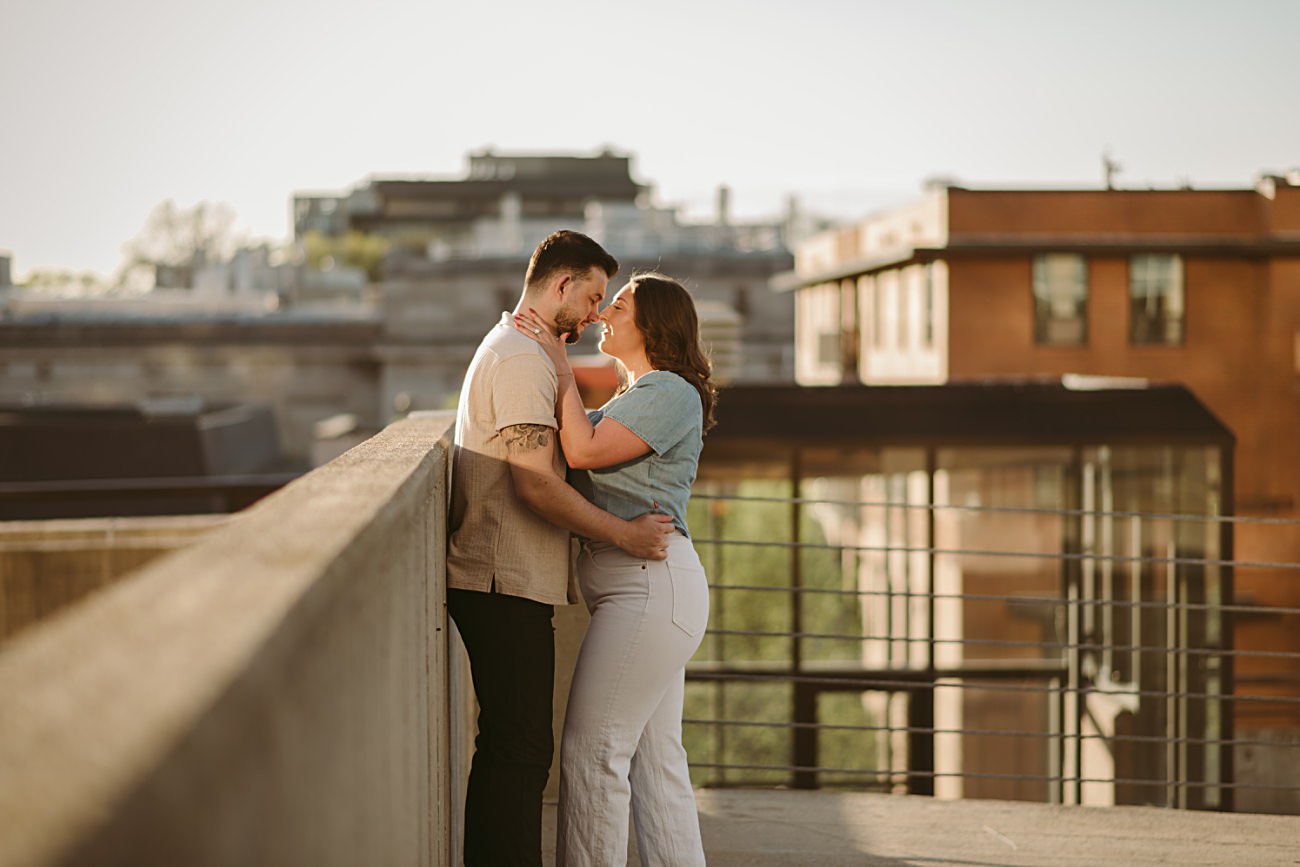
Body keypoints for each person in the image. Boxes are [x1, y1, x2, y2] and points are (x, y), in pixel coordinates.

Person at [446, 231, 676, 867]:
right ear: (561, 285)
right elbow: (534, 483)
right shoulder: (521, 357)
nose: (598, 312)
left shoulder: (530, 350)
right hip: (500, 577)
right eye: (596, 296)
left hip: (512, 578)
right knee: (519, 751)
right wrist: (623, 533)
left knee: (512, 748)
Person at [514, 271, 716, 867]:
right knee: (656, 766)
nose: (602, 314)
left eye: (617, 305)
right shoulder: (633, 396)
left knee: (593, 751)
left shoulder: (669, 390)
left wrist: (553, 355)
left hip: (650, 590)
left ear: (653, 322)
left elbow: (583, 451)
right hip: (643, 592)